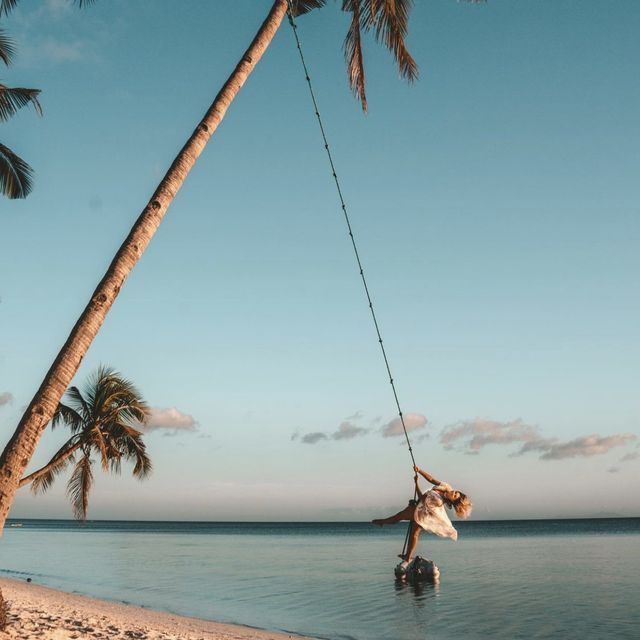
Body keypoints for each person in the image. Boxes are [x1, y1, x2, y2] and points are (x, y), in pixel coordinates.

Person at [372, 465, 472, 567]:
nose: (454, 492)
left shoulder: (438, 500)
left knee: (413, 533)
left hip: (424, 514)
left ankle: (407, 557)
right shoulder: (447, 487)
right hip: (420, 504)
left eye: (455, 496)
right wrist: (419, 470)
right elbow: (432, 479)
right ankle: (383, 523)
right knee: (399, 516)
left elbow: (422, 498)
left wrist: (416, 483)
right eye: (456, 492)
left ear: (452, 501)